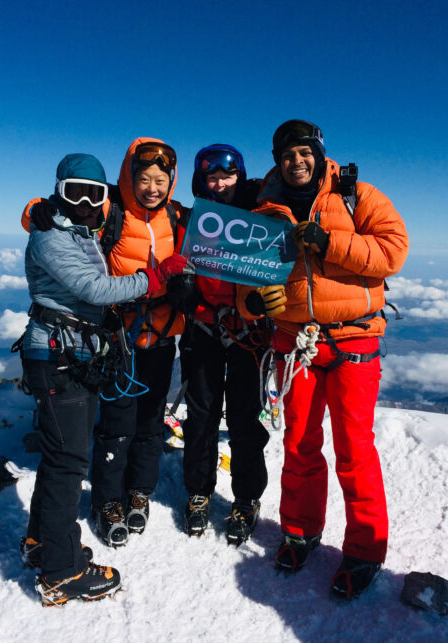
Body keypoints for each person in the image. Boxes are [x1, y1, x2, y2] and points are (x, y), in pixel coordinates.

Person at [236, 120, 408, 599]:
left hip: (353, 341)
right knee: (300, 443)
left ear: (319, 154)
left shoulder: (358, 195)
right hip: (295, 344)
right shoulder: (263, 212)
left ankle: (364, 550)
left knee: (354, 450)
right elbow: (247, 282)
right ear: (277, 160)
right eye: (288, 154)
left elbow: (393, 253)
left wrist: (331, 243)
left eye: (304, 152)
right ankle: (300, 531)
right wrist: (252, 304)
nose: (297, 161)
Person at [19, 152, 187, 606]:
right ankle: (62, 571)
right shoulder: (52, 237)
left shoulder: (76, 230)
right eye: (75, 193)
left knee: (61, 458)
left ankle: (41, 543)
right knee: (68, 463)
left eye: (95, 194)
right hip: (57, 357)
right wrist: (155, 278)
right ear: (59, 191)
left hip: (71, 353)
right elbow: (96, 289)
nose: (86, 203)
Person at [174, 144, 271, 544]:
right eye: (212, 176)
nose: (220, 183)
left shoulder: (262, 216)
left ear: (240, 175)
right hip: (204, 329)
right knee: (202, 415)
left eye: (227, 175)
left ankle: (246, 498)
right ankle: (199, 492)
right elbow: (181, 262)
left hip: (249, 333)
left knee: (245, 419)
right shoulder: (193, 219)